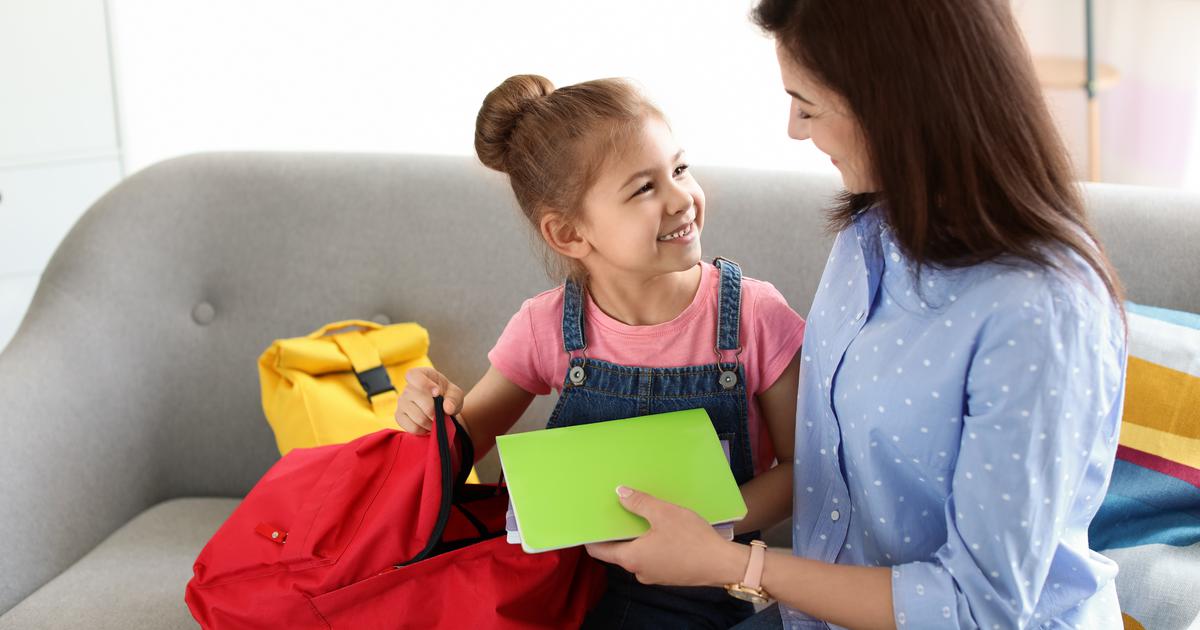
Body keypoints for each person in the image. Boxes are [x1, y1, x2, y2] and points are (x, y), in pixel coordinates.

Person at [584, 1, 1128, 628]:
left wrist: (732, 564)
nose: (793, 128)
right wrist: (693, 525)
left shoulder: (1041, 312)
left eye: (808, 106)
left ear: (894, 103)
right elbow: (830, 473)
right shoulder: (871, 236)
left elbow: (977, 610)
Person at [395, 74, 807, 628]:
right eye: (644, 188)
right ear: (569, 235)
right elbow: (460, 447)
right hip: (566, 586)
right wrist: (430, 412)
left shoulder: (754, 316)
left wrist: (710, 536)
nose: (682, 197)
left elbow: (803, 470)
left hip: (704, 587)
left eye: (679, 169)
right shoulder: (544, 326)